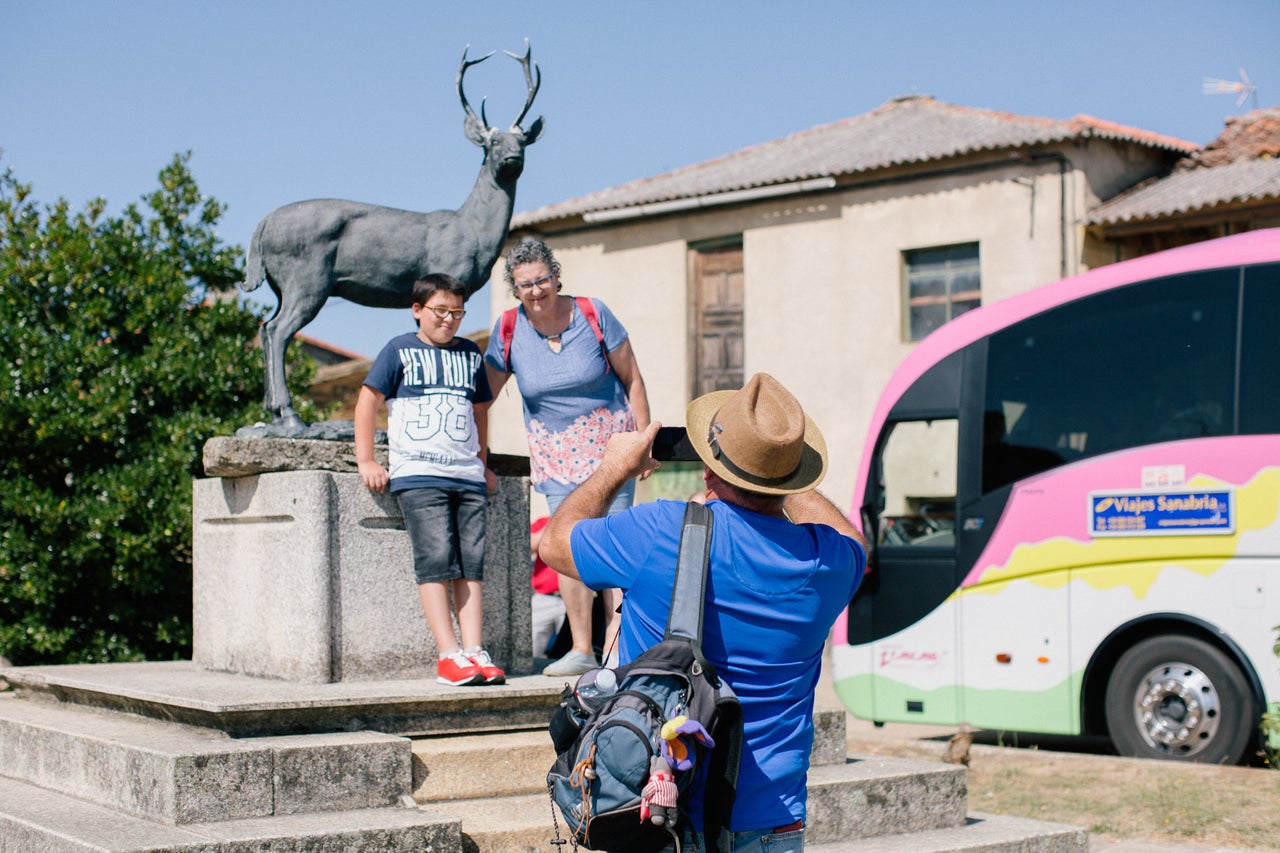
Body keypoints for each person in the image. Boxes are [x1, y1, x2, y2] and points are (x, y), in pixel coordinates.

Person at [539, 373, 866, 853]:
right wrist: (776, 468)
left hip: (656, 810)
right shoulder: (831, 563)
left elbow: (554, 544)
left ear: (710, 470)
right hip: (773, 820)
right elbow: (853, 539)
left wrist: (614, 468)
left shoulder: (662, 530)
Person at [485, 237, 650, 677]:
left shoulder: (593, 314)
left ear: (556, 277)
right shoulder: (508, 330)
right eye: (525, 285)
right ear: (515, 290)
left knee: (614, 542)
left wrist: (642, 443)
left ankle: (620, 649)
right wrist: (476, 455)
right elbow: (483, 396)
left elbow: (632, 378)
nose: (536, 291)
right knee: (570, 547)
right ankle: (581, 649)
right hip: (556, 457)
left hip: (610, 449)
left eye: (542, 280)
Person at [355, 273, 504, 687]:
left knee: (470, 564)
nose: (449, 320)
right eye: (441, 311)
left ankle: (474, 650)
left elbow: (479, 413)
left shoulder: (472, 354)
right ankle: (448, 654)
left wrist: (483, 463)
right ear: (418, 310)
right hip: (419, 473)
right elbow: (368, 400)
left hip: (467, 476)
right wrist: (366, 458)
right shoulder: (398, 350)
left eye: (457, 312)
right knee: (436, 560)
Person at [529, 515, 567, 658]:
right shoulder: (543, 522)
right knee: (533, 650)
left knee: (567, 652)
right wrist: (556, 521)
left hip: (573, 601)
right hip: (544, 598)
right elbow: (531, 546)